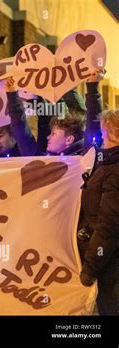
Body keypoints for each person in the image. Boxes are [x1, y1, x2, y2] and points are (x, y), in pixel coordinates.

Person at [5, 69, 104, 156]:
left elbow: (94, 121)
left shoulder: (86, 156)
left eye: (53, 134)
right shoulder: (39, 161)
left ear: (69, 139)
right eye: (52, 134)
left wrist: (92, 86)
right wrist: (12, 94)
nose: (47, 137)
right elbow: (21, 131)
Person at [79, 109, 119, 315]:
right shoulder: (108, 162)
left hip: (111, 264)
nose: (101, 137)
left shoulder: (115, 169)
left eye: (104, 133)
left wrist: (89, 269)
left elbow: (109, 225)